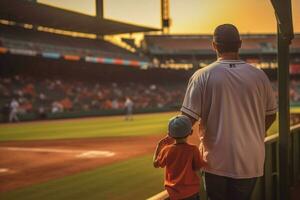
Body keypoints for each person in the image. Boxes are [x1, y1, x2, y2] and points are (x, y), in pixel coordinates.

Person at [180, 24, 277, 200]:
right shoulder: (259, 75)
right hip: (250, 159)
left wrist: (173, 139)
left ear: (214, 45)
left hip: (215, 160)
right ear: (239, 44)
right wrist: (256, 132)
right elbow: (271, 114)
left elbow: (186, 121)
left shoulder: (202, 75)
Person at [153, 115, 204, 200]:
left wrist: (159, 146)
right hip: (191, 193)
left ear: (169, 134)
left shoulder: (166, 150)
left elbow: (155, 164)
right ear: (190, 132)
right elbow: (198, 167)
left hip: (173, 194)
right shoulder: (193, 149)